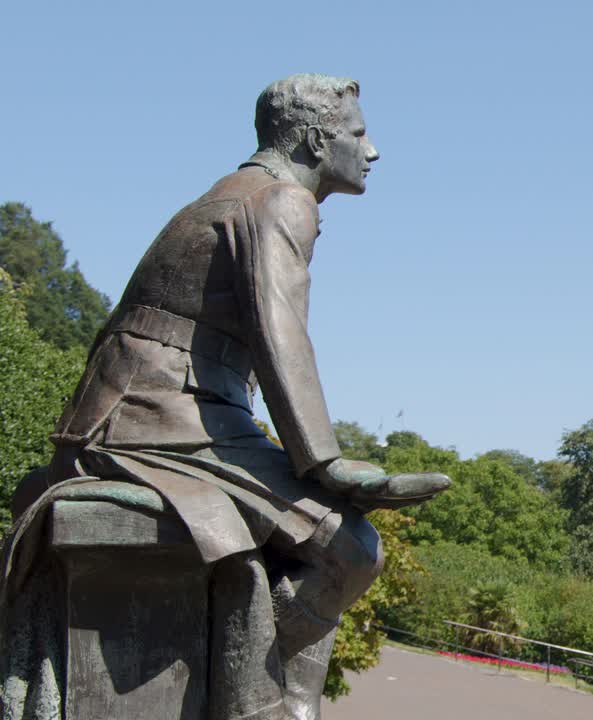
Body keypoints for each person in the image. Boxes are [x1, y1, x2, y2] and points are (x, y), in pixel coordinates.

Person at [1, 74, 448, 720]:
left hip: (154, 409)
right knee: (352, 548)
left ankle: (270, 695)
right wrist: (327, 466)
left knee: (330, 542)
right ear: (317, 140)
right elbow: (281, 336)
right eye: (357, 134)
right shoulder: (279, 202)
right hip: (159, 417)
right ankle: (262, 700)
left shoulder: (230, 194)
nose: (371, 150)